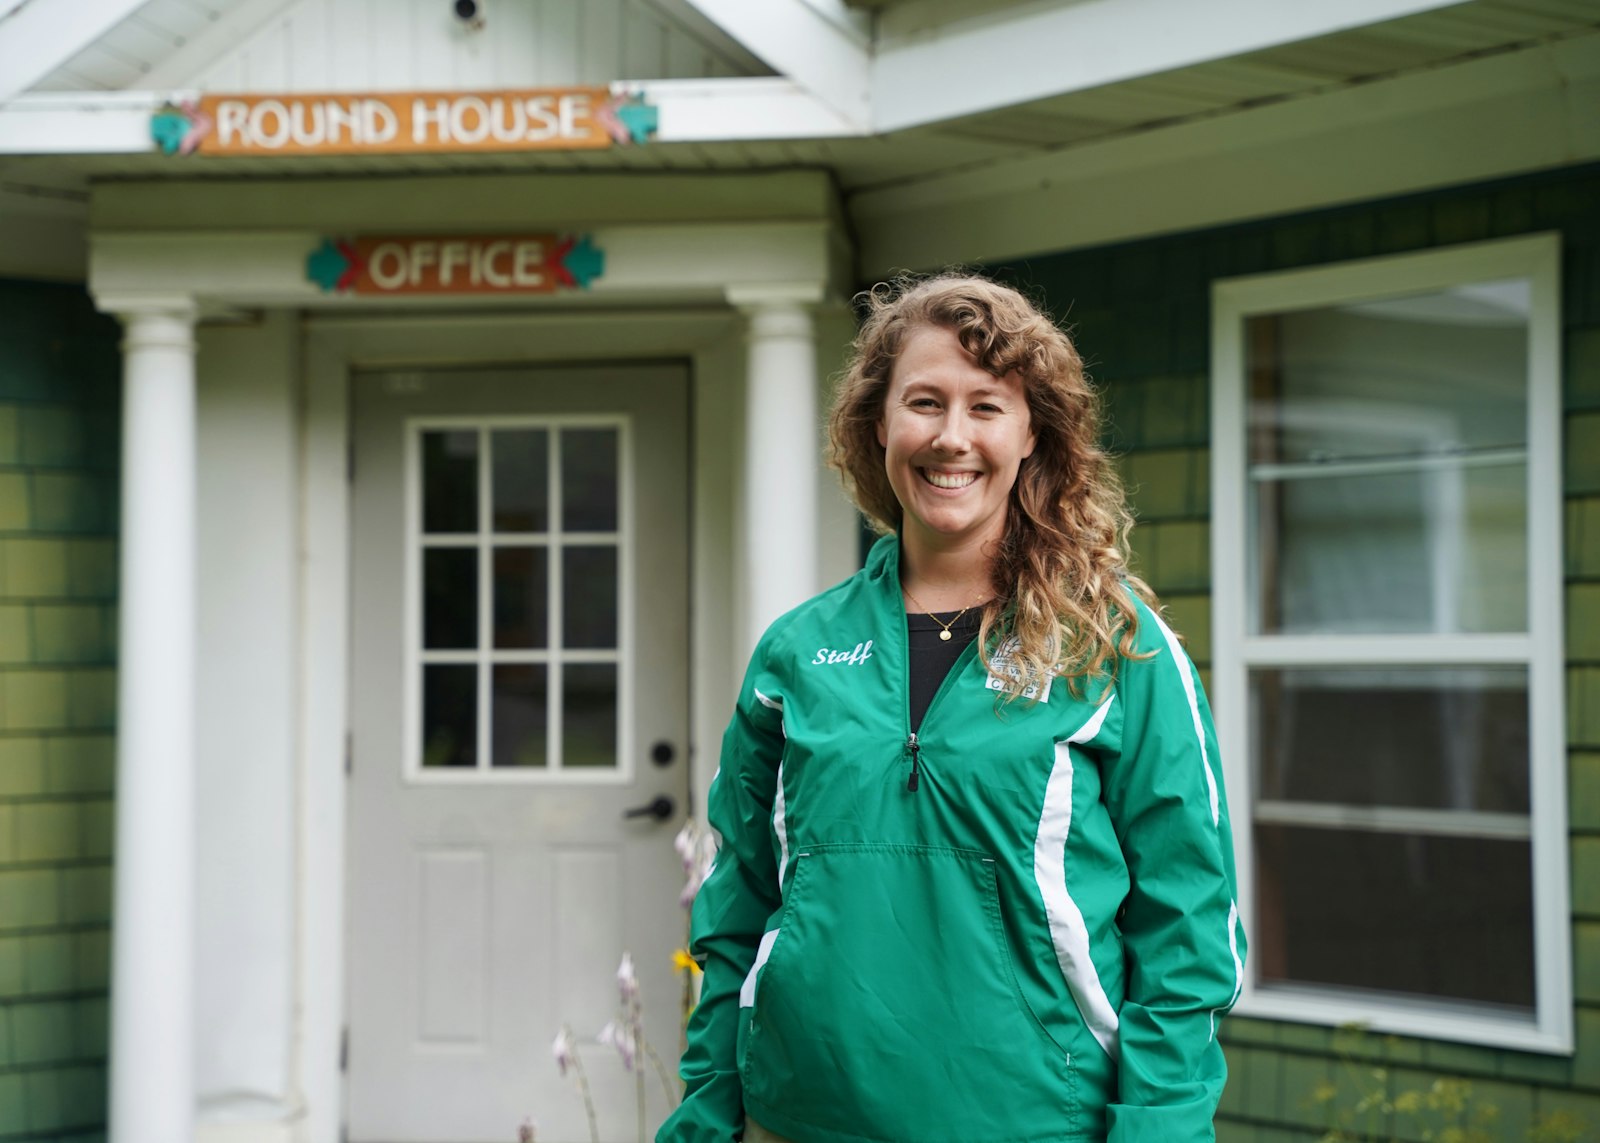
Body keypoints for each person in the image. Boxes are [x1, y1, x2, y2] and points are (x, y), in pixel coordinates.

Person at [657, 274, 1245, 1143]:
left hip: (1035, 1123)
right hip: (795, 1122)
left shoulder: (1118, 646)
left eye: (986, 407)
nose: (950, 437)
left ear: (1031, 431)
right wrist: (710, 1113)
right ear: (878, 424)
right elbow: (736, 903)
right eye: (923, 402)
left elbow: (1188, 928)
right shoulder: (796, 653)